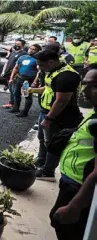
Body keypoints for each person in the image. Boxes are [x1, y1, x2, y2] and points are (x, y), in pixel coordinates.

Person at [49, 67, 97, 240]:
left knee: (67, 227)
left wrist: (76, 205)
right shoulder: (95, 111)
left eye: (94, 86)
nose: (84, 91)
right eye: (84, 84)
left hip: (79, 186)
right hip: (72, 180)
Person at [28, 49, 83, 181]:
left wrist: (49, 118)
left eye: (41, 65)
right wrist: (32, 90)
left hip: (59, 117)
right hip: (46, 112)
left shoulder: (66, 76)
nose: (39, 67)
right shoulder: (54, 71)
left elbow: (61, 102)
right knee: (43, 139)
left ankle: (48, 172)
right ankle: (41, 162)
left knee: (53, 144)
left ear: (51, 62)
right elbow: (49, 88)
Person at [8, 44, 41, 117]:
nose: (31, 50)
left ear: (38, 51)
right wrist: (11, 78)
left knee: (27, 96)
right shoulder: (22, 57)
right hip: (19, 78)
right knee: (16, 94)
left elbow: (39, 71)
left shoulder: (37, 60)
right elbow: (16, 68)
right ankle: (16, 108)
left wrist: (35, 81)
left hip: (28, 80)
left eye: (34, 49)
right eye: (30, 48)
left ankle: (25, 112)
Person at [1, 39, 27, 109]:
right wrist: (3, 71)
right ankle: (11, 103)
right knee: (11, 90)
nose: (16, 45)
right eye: (16, 44)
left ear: (22, 45)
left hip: (15, 75)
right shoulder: (13, 52)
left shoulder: (23, 54)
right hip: (8, 74)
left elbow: (20, 66)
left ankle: (14, 105)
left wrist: (15, 74)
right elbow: (7, 62)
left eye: (18, 44)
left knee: (14, 90)